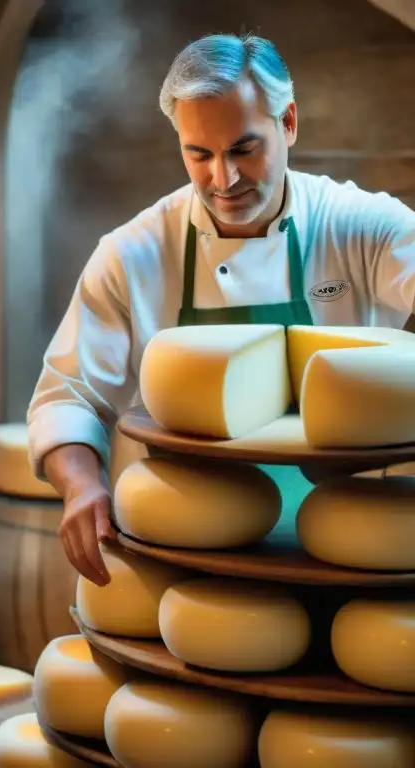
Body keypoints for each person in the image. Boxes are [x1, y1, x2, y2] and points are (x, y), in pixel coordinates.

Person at [26, 33, 415, 587]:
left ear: (288, 124)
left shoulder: (357, 225)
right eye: (198, 154)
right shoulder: (134, 252)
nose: (222, 179)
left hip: (351, 549)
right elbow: (68, 395)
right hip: (191, 555)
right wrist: (82, 484)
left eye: (242, 149)